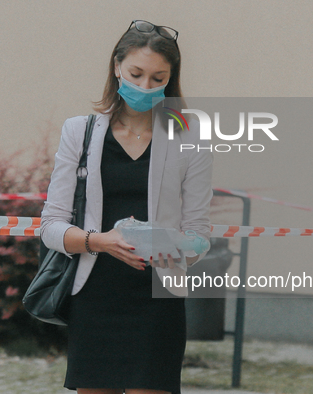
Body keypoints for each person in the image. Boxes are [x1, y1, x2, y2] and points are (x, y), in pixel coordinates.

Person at [40, 20, 213, 394]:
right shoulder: (79, 131)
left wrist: (169, 245)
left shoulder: (191, 137)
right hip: (95, 296)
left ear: (170, 79)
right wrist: (101, 241)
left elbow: (199, 235)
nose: (145, 86)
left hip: (157, 298)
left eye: (157, 78)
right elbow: (51, 226)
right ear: (117, 66)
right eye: (136, 74)